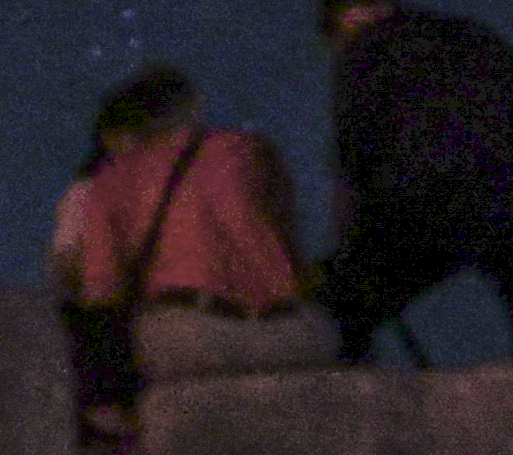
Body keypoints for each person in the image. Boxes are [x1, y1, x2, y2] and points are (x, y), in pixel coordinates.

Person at [314, 0, 513, 365]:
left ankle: (348, 389)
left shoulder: (365, 50)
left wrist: (352, 251)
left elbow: (358, 158)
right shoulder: (474, 36)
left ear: (342, 22)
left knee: (340, 302)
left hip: (433, 198)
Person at [47, 65, 327, 401]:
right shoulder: (245, 150)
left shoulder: (109, 179)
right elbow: (285, 261)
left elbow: (101, 292)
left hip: (184, 339)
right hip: (274, 340)